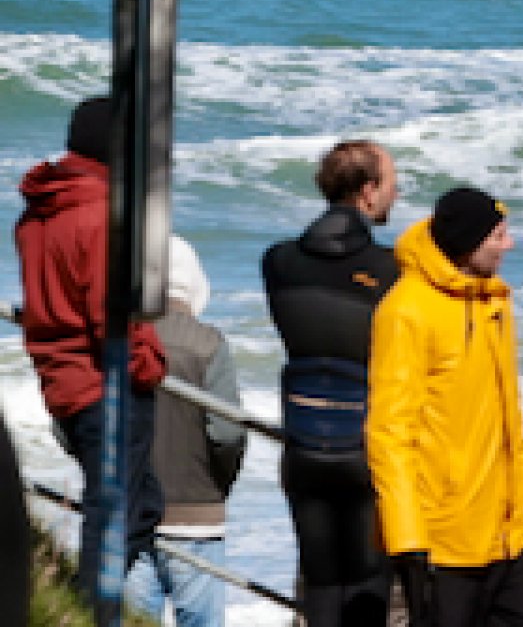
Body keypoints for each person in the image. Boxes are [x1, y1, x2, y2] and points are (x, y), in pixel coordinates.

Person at [367, 188, 523, 627]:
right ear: (469, 244)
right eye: (499, 236)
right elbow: (389, 431)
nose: (510, 245)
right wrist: (406, 533)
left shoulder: (494, 300)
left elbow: (510, 415)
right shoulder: (406, 310)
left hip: (509, 532)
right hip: (441, 539)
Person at [15, 97, 167, 601]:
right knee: (118, 510)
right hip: (107, 385)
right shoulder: (103, 215)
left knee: (135, 503)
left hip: (62, 378)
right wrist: (149, 365)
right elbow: (114, 315)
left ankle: (91, 602)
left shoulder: (40, 212)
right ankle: (87, 605)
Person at [262, 140, 401, 627]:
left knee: (320, 585)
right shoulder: (393, 272)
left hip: (303, 445)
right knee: (367, 585)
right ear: (367, 192)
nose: (396, 194)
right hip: (365, 448)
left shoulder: (277, 261)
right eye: (390, 183)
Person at [128, 238, 245, 627]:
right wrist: (216, 488)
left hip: (129, 514)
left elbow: (73, 420)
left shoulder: (120, 341)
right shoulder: (209, 344)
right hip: (197, 521)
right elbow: (227, 434)